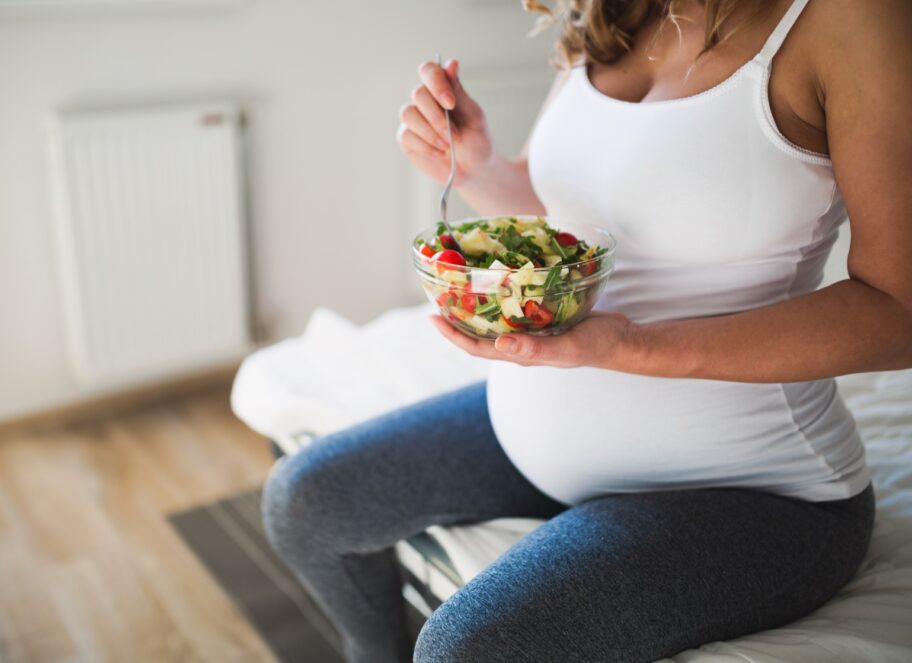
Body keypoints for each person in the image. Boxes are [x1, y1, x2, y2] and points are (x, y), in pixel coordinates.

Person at [261, 0, 912, 660]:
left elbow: (898, 311)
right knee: (306, 501)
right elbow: (582, 220)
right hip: (542, 432)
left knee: (464, 648)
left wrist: (630, 344)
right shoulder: (612, 11)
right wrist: (480, 166)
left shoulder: (852, 20)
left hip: (755, 489)